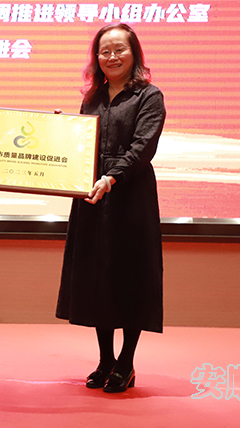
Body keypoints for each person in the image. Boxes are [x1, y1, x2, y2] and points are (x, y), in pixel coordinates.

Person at [56, 23, 166, 393]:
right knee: (97, 276)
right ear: (96, 57)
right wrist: (60, 135)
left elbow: (143, 147)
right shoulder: (92, 99)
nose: (112, 57)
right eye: (105, 51)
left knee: (130, 276)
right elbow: (81, 147)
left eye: (120, 49)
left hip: (130, 197)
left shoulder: (149, 96)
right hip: (92, 196)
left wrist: (112, 177)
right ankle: (105, 360)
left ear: (134, 54)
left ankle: (126, 363)